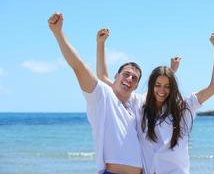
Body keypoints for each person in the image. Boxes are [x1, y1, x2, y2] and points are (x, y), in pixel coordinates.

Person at [97, 29, 214, 173]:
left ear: (173, 88)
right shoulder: (139, 105)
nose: (161, 90)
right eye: (157, 85)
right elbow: (103, 77)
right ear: (151, 86)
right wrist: (100, 43)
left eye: (167, 86)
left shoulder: (184, 108)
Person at [48, 12, 143, 174]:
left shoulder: (134, 104)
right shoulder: (103, 97)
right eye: (126, 74)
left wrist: (171, 72)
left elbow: (159, 92)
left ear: (136, 86)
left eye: (134, 78)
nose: (129, 78)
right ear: (116, 77)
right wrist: (58, 34)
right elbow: (79, 67)